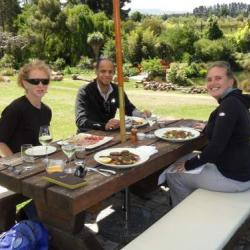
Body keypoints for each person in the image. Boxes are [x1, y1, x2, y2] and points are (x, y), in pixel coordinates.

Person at [164, 61, 250, 207]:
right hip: (239, 170)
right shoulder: (236, 101)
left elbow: (216, 147)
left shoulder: (229, 105)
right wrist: (209, 127)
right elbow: (227, 129)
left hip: (233, 178)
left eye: (218, 78)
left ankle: (184, 216)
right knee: (183, 159)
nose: (212, 83)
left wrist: (189, 165)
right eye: (209, 79)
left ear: (231, 81)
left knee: (173, 174)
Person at [75, 57, 151, 132]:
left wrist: (141, 114)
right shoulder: (85, 91)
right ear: (96, 72)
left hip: (109, 135)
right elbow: (81, 121)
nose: (107, 75)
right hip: (88, 135)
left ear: (114, 73)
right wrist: (104, 126)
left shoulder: (117, 90)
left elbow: (129, 109)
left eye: (110, 72)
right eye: (103, 71)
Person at [0, 59, 52, 157]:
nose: (41, 85)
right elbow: (1, 142)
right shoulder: (15, 109)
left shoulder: (47, 111)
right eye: (35, 81)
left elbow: (43, 142)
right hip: (14, 168)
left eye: (45, 81)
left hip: (36, 162)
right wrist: (15, 163)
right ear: (25, 83)